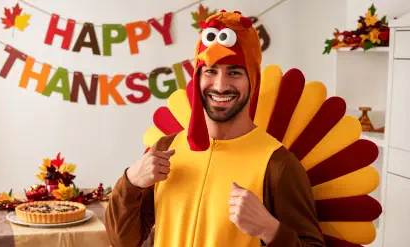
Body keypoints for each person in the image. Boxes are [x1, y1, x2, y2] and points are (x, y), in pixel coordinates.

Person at [105, 10, 326, 247]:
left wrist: (270, 230)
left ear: (253, 80)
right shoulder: (165, 149)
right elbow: (122, 242)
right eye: (210, 71)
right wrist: (130, 182)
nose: (220, 86)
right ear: (197, 78)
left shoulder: (278, 165)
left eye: (234, 72)